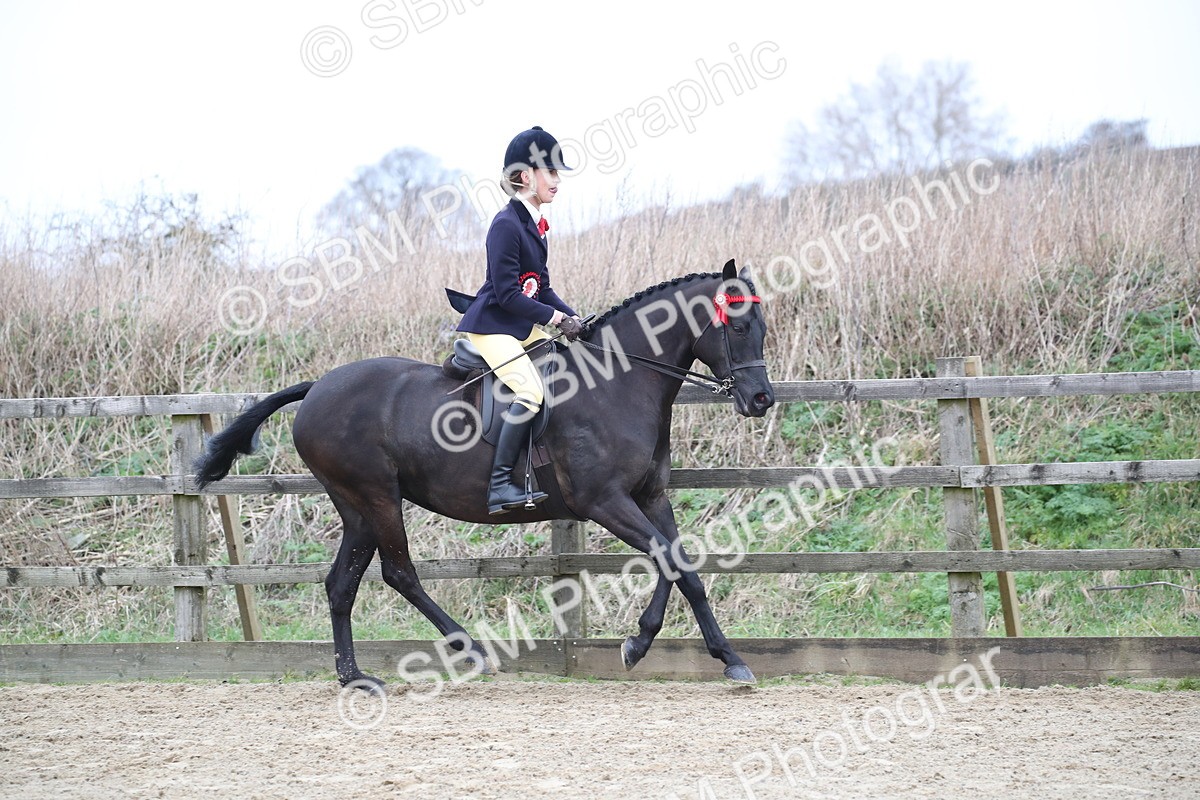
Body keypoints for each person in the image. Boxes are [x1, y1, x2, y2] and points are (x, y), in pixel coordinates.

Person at [457, 126, 583, 514]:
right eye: (551, 172)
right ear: (526, 176)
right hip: (492, 327)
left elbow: (540, 287)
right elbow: (509, 294)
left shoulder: (536, 227)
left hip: (519, 328)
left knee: (567, 369)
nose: (557, 181)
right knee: (530, 391)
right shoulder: (506, 225)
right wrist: (555, 318)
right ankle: (499, 486)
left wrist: (574, 317)